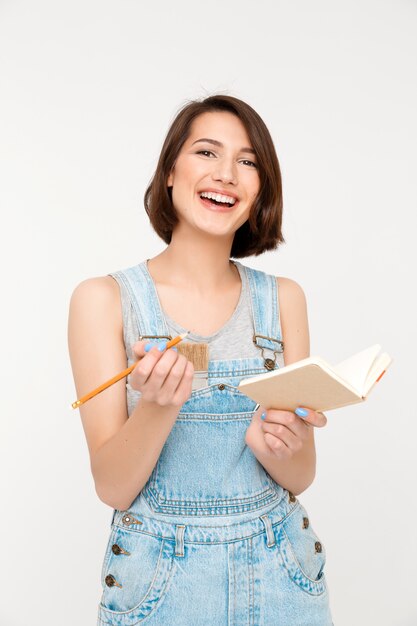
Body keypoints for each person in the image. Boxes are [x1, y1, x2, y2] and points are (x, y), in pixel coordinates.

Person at [68, 94, 333, 625]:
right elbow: (113, 487)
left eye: (247, 161)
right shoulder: (104, 299)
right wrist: (157, 407)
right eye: (207, 152)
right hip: (159, 584)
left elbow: (300, 476)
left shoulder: (284, 299)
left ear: (261, 189)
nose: (227, 174)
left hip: (281, 571)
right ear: (170, 171)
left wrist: (283, 446)